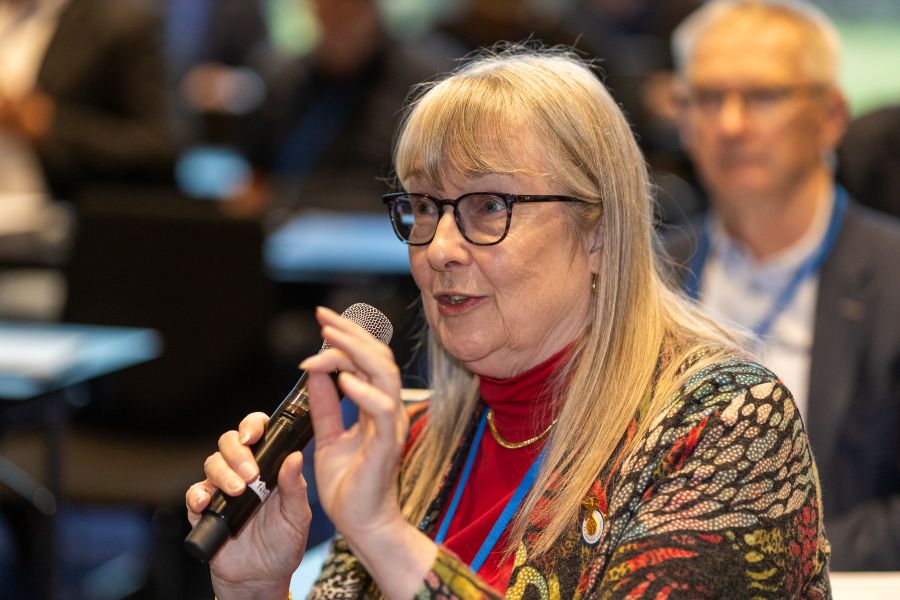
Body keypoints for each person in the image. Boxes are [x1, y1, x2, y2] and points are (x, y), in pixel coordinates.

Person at [186, 45, 831, 598]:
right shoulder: (411, 441)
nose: (439, 248)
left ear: (599, 233)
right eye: (424, 206)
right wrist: (258, 588)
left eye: (490, 205)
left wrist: (384, 535)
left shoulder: (724, 422)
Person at [664, 0, 900, 570]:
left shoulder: (892, 278)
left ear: (832, 115)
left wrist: (765, 570)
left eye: (763, 96)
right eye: (708, 98)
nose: (731, 125)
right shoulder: (649, 277)